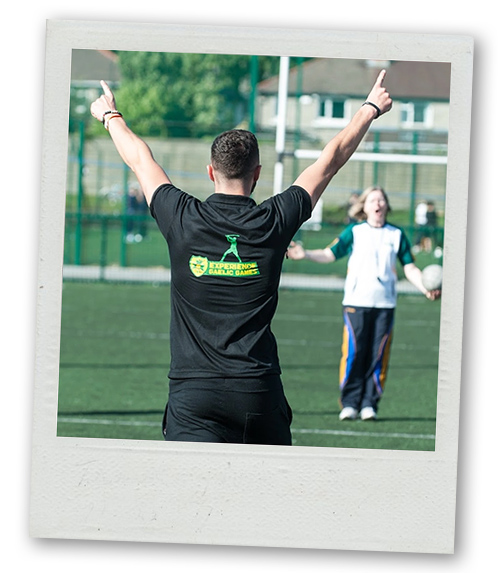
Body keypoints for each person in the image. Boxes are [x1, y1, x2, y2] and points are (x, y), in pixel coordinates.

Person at [89, 69, 392, 445]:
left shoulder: (182, 216)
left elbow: (139, 159)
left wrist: (110, 115)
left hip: (193, 397)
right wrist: (369, 108)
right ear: (258, 174)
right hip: (258, 393)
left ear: (210, 171)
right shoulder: (274, 220)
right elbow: (329, 161)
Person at [287, 186, 441, 422]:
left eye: (381, 200)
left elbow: (409, 268)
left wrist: (425, 288)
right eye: (373, 200)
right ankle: (349, 403)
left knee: (378, 355)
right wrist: (305, 254)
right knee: (354, 353)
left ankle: (370, 404)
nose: (378, 204)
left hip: (385, 305)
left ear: (386, 206)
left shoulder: (396, 234)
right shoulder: (354, 232)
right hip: (356, 303)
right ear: (365, 206)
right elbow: (330, 254)